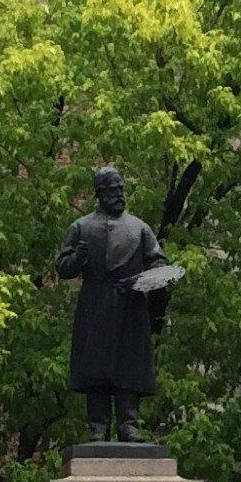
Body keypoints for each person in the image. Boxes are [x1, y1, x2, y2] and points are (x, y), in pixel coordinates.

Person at [55, 166, 170, 442]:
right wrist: (78, 258)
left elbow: (157, 260)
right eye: (113, 190)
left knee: (129, 365)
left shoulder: (140, 228)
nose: (119, 194)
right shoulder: (81, 227)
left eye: (121, 189)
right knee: (96, 366)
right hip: (96, 304)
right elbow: (63, 267)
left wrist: (158, 275)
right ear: (100, 193)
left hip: (130, 304)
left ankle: (128, 423)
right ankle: (98, 426)